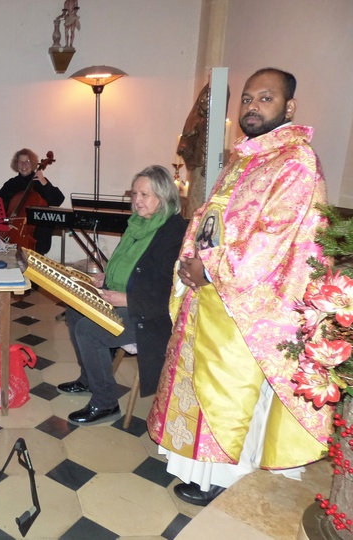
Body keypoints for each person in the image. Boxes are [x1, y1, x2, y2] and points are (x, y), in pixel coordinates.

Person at [147, 68, 331, 507]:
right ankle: (199, 471)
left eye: (266, 98)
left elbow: (273, 238)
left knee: (229, 392)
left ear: (289, 107)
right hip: (211, 291)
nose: (252, 106)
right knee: (201, 385)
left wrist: (209, 269)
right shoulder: (245, 158)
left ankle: (227, 482)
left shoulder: (296, 161)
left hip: (250, 303)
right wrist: (190, 262)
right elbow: (206, 218)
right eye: (247, 98)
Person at [57, 165, 186, 425]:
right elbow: (131, 266)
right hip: (129, 300)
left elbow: (173, 293)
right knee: (75, 310)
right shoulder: (138, 224)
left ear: (163, 197)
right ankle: (89, 379)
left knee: (89, 330)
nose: (137, 200)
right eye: (134, 194)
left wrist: (128, 299)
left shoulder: (174, 233)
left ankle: (105, 403)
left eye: (144, 195)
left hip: (150, 315)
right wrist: (108, 277)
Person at [0, 148, 65, 255]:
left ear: (32, 163)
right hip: (14, 226)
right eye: (20, 162)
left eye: (27, 161)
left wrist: (43, 181)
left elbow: (58, 199)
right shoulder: (12, 183)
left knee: (43, 228)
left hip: (36, 229)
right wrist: (6, 221)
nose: (24, 165)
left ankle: (37, 253)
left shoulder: (39, 181)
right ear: (16, 164)